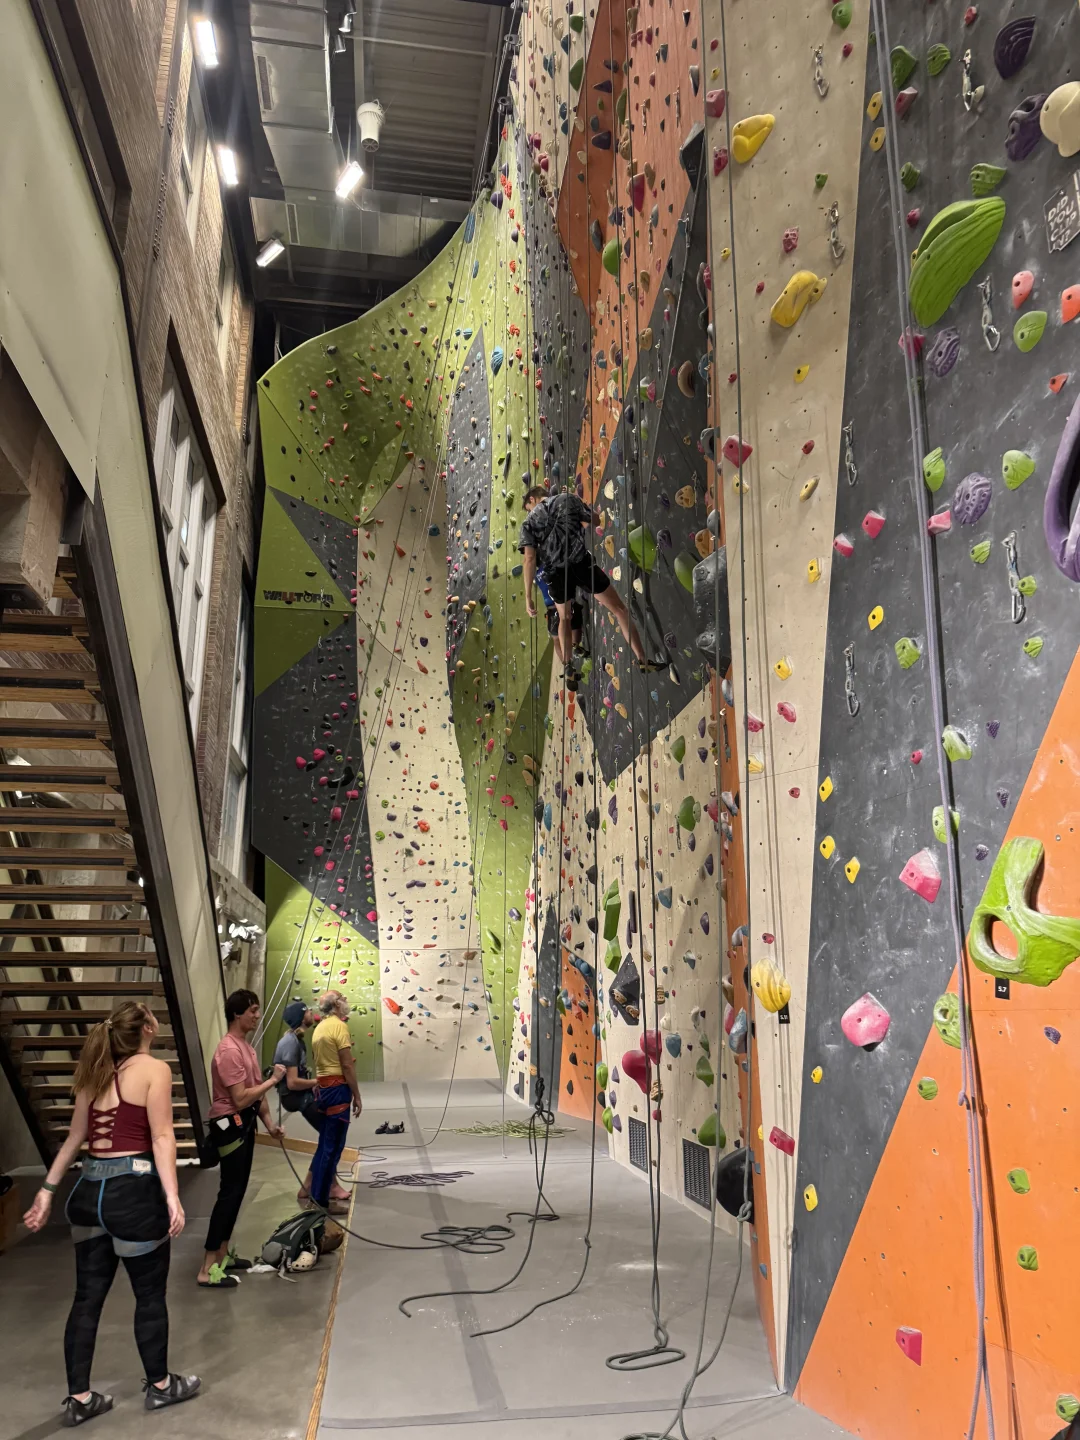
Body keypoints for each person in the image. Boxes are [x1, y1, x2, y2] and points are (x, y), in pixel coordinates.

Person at [22, 1000, 200, 1426]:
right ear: (146, 1029)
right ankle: (160, 1386)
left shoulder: (95, 1071)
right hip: (132, 1196)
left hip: (88, 1194)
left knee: (86, 1300)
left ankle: (80, 1399)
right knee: (149, 1296)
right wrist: (173, 1197)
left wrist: (47, 1191)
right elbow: (161, 1136)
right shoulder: (154, 1070)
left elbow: (76, 1139)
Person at [198, 989, 285, 1289]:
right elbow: (239, 1097)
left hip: (244, 1125)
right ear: (237, 1013)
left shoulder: (245, 1048)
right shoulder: (228, 1051)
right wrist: (274, 1081)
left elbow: (256, 1092)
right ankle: (207, 1266)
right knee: (229, 1193)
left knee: (237, 1191)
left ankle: (222, 1253)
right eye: (253, 1010)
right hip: (229, 1125)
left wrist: (271, 1125)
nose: (257, 1016)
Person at [519, 486, 657, 675]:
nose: (530, 512)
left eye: (528, 507)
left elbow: (529, 559)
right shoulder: (567, 498)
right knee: (619, 609)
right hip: (580, 562)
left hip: (556, 573)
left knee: (565, 618)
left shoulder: (528, 523)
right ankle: (642, 659)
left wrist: (528, 596)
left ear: (533, 499)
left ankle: (567, 665)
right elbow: (594, 520)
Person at [273, 1000, 350, 1213]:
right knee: (330, 1137)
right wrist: (318, 1082)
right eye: (307, 1011)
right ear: (300, 1017)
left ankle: (310, 1183)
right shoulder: (289, 1043)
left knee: (328, 1137)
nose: (311, 1013)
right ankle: (325, 1188)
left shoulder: (297, 1040)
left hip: (303, 1094)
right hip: (296, 1097)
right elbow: (292, 1082)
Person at [308, 991, 362, 1212]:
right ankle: (321, 1199)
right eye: (343, 997)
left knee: (327, 1145)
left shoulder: (320, 1028)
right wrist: (356, 1094)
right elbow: (347, 1065)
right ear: (337, 1005)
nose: (346, 1000)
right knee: (333, 1146)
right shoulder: (339, 1027)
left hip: (324, 1088)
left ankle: (319, 1194)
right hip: (337, 1088)